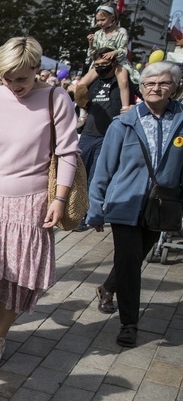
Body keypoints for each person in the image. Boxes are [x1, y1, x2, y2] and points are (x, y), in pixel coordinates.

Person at [0, 36, 79, 369]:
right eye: (7, 78)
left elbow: (68, 152)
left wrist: (60, 199)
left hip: (31, 203)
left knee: (16, 277)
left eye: (22, 78)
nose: (14, 85)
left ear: (36, 69)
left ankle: (0, 336)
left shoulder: (57, 98)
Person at [88, 61, 183, 348]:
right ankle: (129, 323)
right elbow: (103, 169)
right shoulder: (123, 124)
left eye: (164, 83)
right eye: (150, 83)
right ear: (140, 88)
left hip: (164, 204)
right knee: (129, 261)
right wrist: (96, 209)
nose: (156, 87)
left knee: (136, 256)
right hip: (124, 202)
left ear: (175, 87)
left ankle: (107, 287)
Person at [73, 48, 124, 232]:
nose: (102, 68)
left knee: (95, 178)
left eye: (105, 64)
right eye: (98, 65)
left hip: (108, 137)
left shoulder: (120, 78)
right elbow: (78, 89)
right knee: (79, 175)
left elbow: (126, 82)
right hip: (88, 134)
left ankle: (86, 216)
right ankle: (74, 212)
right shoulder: (94, 81)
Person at [86, 3, 134, 112]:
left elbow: (124, 49)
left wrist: (115, 52)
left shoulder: (121, 31)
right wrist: (90, 43)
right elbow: (92, 54)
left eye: (102, 20)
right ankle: (83, 112)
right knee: (83, 83)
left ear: (112, 17)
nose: (99, 23)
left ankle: (125, 107)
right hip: (99, 64)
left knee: (123, 81)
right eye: (97, 20)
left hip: (117, 62)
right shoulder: (97, 33)